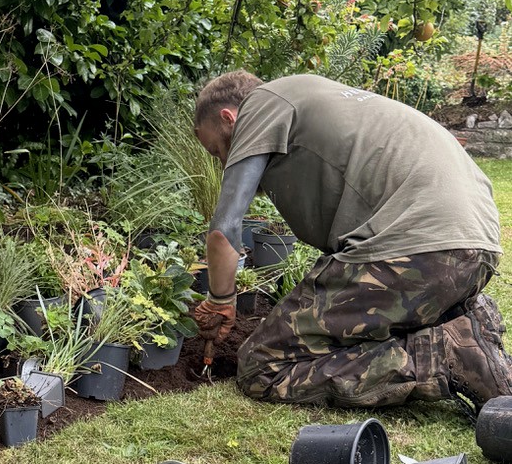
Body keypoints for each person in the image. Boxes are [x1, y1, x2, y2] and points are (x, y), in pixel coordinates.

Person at [191, 69, 512, 414]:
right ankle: (468, 325)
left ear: (229, 118)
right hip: (473, 248)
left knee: (261, 366)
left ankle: (440, 358)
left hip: (416, 252)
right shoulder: (310, 93)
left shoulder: (261, 106)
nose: (225, 162)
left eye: (217, 150)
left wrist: (220, 300)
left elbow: (224, 229)